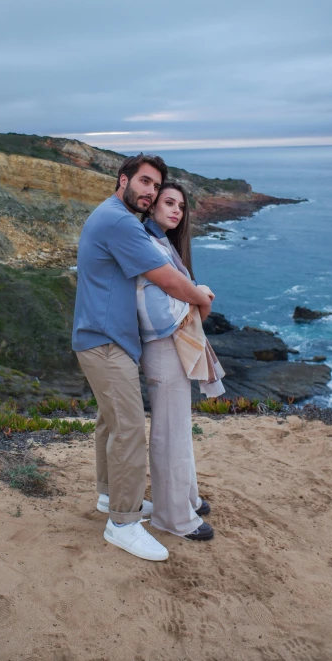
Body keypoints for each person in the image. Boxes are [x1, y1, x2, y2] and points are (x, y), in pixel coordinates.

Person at [72, 154, 213, 562]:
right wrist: (201, 298)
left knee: (109, 422)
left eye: (157, 186)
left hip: (100, 338)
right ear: (124, 180)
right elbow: (168, 279)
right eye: (146, 182)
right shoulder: (118, 221)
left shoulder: (114, 217)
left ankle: (108, 497)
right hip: (105, 341)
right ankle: (123, 522)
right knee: (130, 429)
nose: (151, 192)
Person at [138, 181, 225, 541]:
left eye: (181, 206)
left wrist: (191, 297)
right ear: (152, 205)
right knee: (168, 433)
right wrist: (198, 296)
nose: (176, 210)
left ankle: (185, 498)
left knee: (178, 428)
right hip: (162, 348)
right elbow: (155, 315)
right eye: (168, 202)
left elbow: (173, 299)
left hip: (172, 348)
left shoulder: (162, 243)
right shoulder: (146, 244)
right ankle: (173, 518)